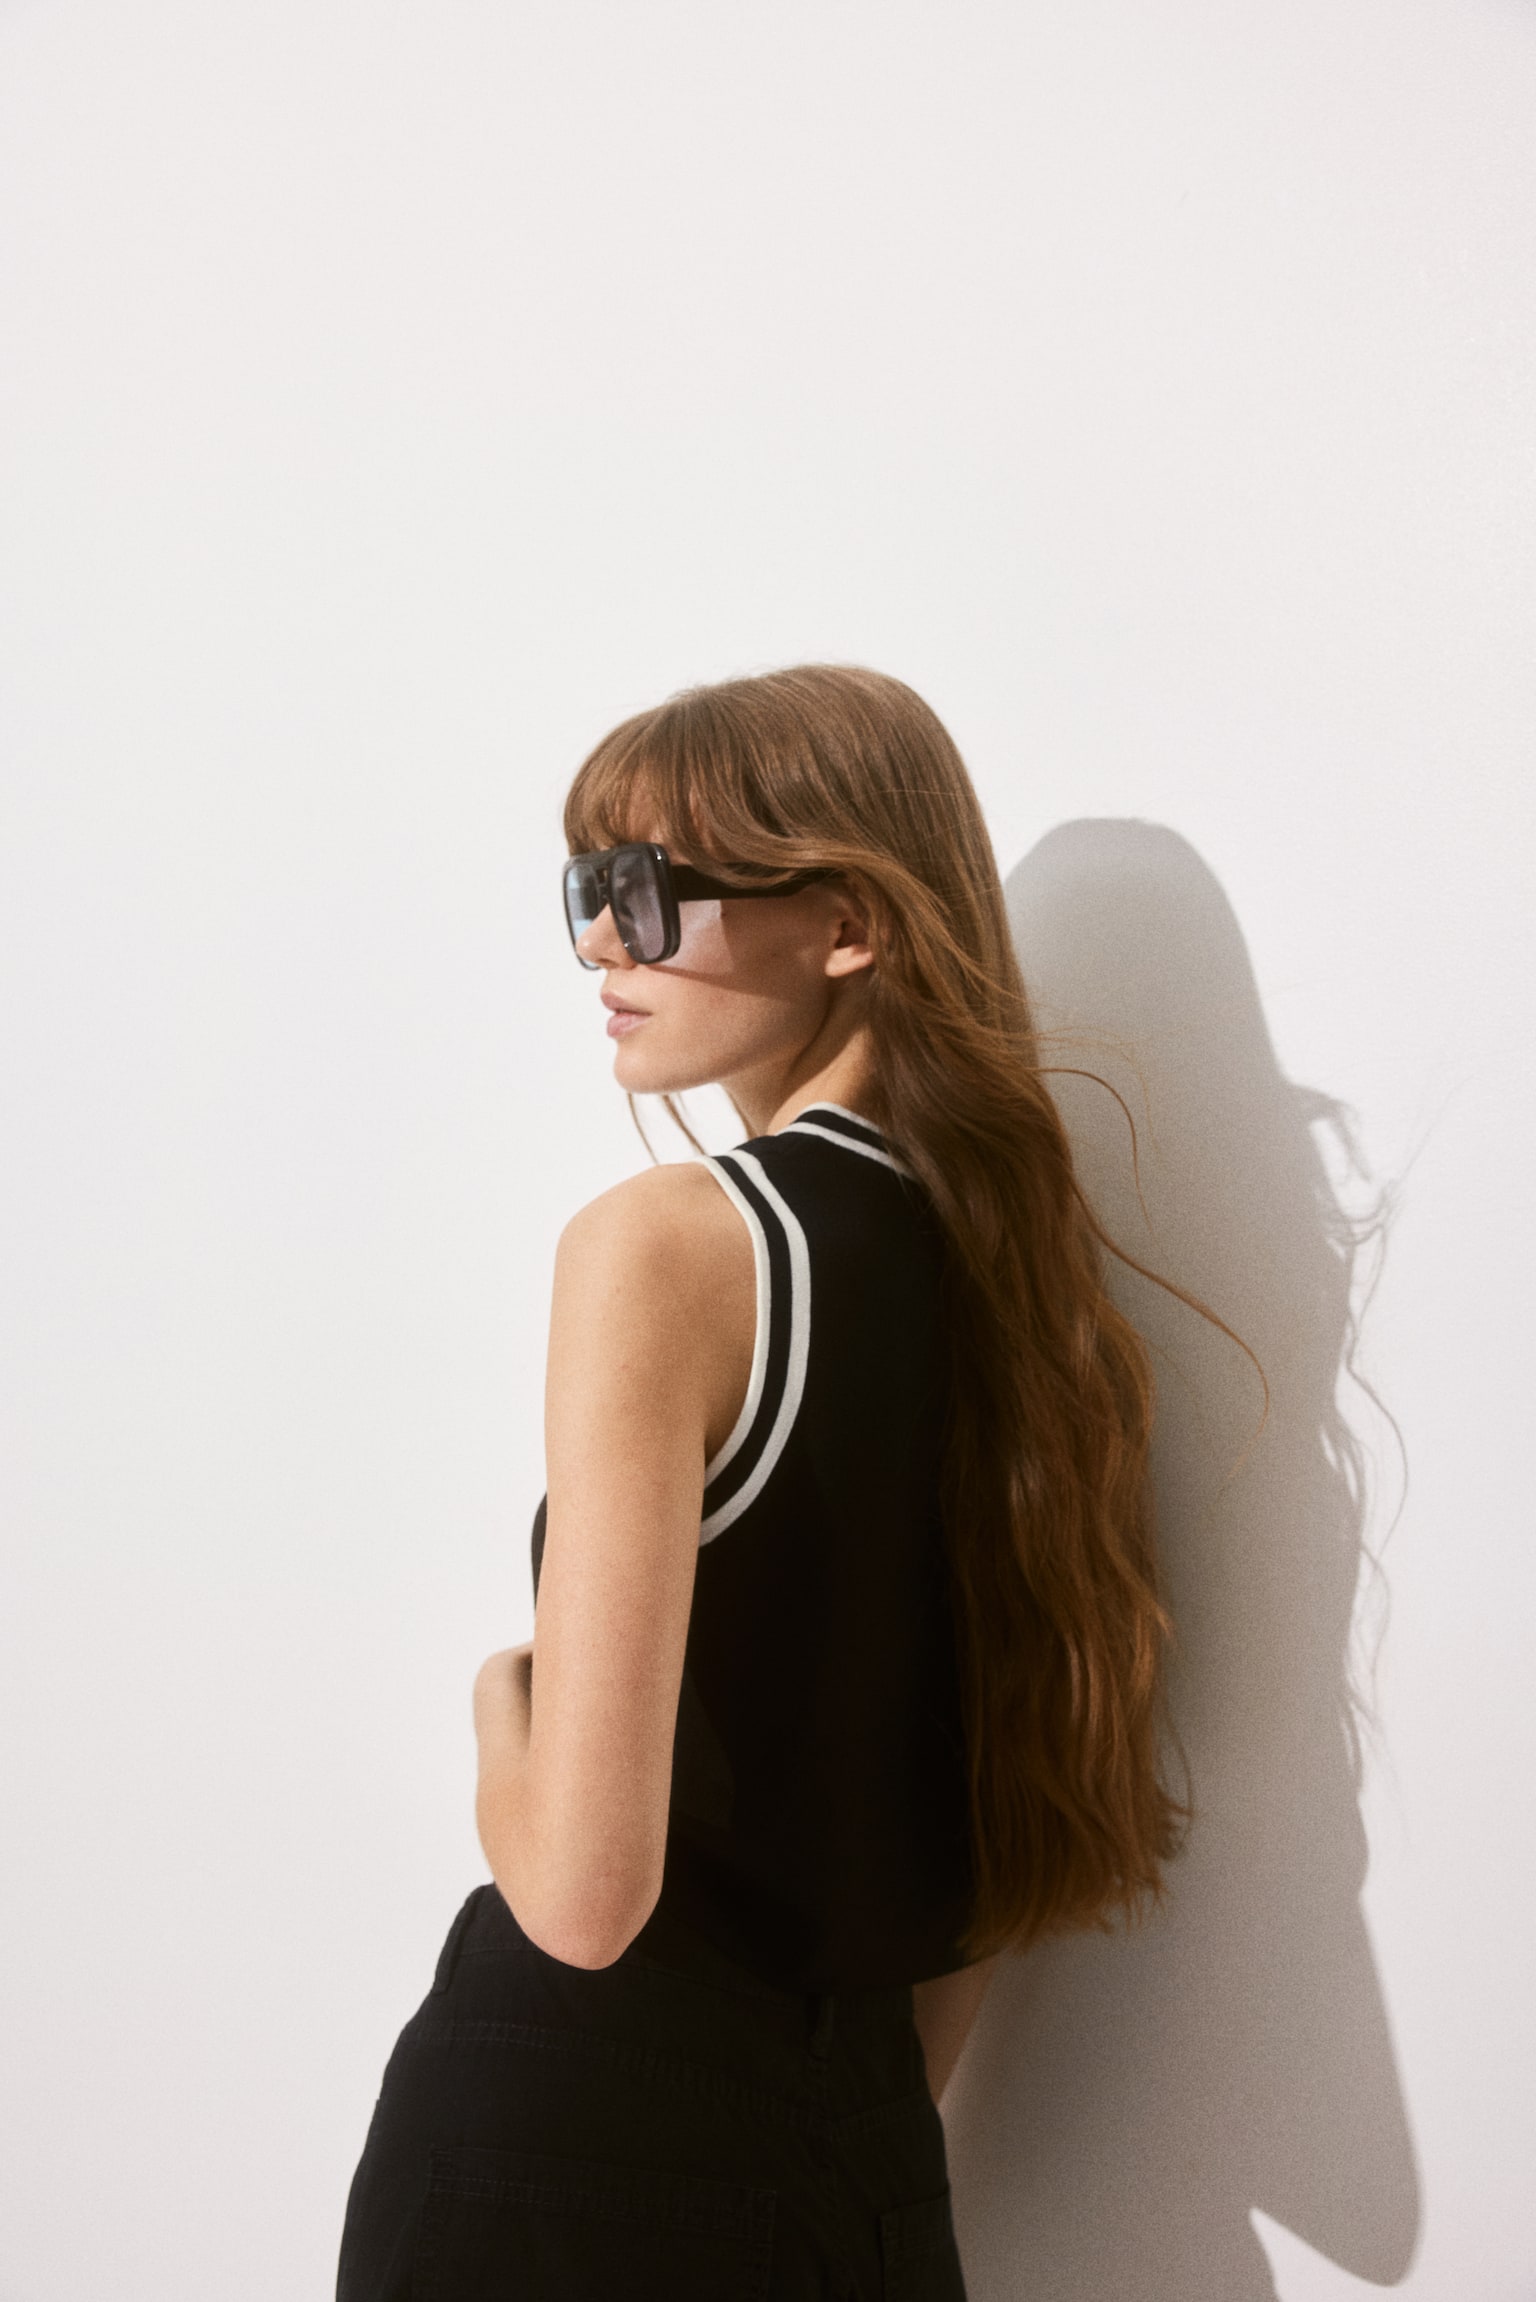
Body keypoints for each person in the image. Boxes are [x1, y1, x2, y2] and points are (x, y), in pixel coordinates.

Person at [335, 664, 1185, 2301]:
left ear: (849, 922)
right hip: (858, 2153)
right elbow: (987, 1858)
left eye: (647, 890)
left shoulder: (670, 1245)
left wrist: (500, 1709)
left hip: (562, 2140)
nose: (601, 940)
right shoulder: (1029, 1303)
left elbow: (584, 1898)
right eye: (587, 888)